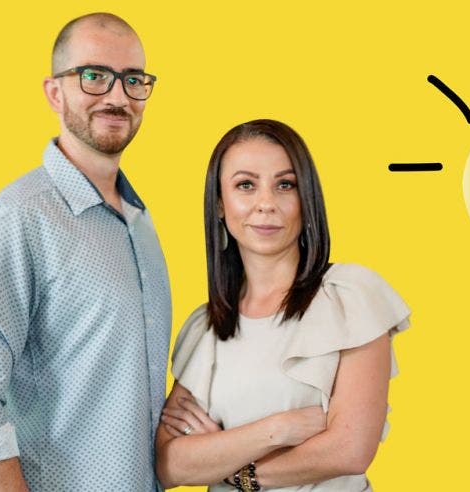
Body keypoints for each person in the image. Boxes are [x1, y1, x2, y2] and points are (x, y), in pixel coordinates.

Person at [0, 13, 171, 491]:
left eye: (133, 80)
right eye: (93, 76)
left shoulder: (140, 222)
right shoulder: (19, 216)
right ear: (54, 92)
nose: (116, 96)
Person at [155, 119, 411, 491]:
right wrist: (277, 431)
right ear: (220, 206)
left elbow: (350, 449)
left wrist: (225, 464)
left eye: (285, 185)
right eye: (246, 185)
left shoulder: (351, 297)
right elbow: (168, 465)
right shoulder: (206, 327)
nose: (266, 204)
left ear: (306, 201)